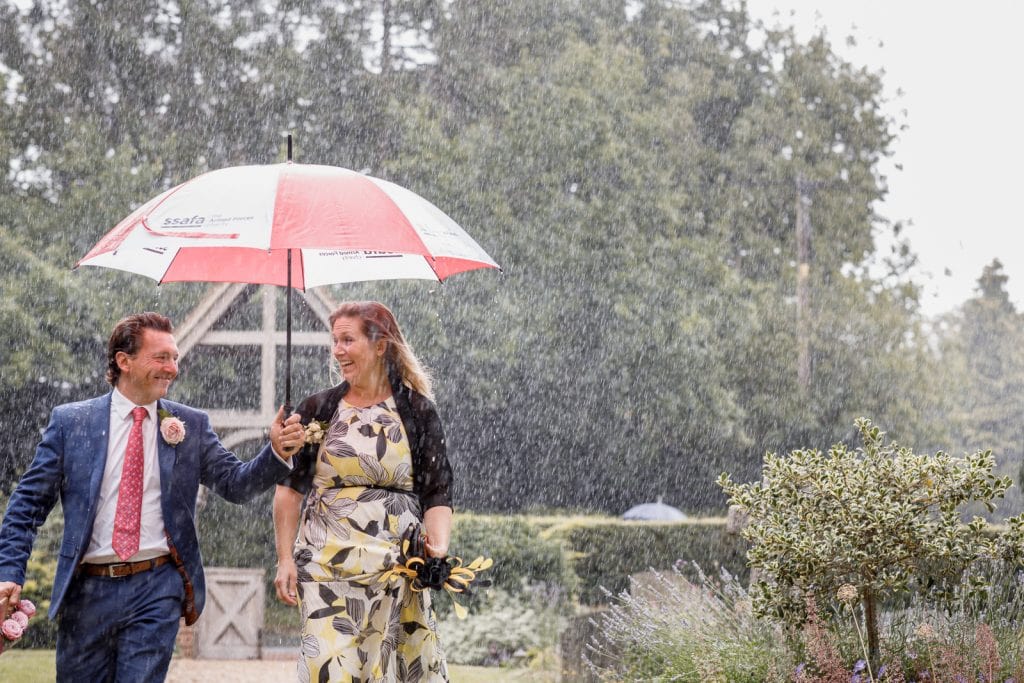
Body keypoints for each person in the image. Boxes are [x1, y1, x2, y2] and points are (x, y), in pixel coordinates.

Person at [0, 312, 306, 681]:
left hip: (156, 587)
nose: (172, 367)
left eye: (175, 358)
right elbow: (26, 506)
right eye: (161, 357)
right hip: (86, 591)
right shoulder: (71, 423)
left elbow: (236, 484)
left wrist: (275, 452)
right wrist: (8, 571)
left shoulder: (190, 425)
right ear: (123, 361)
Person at [273, 301, 453, 682]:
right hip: (325, 565)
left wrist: (437, 551)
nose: (338, 350)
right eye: (334, 340)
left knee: (387, 669)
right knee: (330, 669)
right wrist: (284, 558)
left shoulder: (417, 411)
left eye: (348, 340)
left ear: (380, 345)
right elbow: (289, 489)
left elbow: (437, 491)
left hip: (395, 565)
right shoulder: (317, 409)